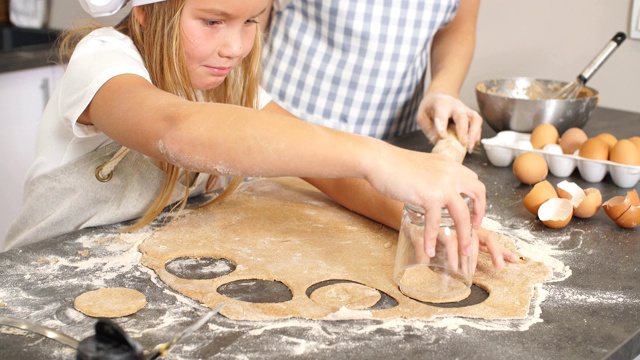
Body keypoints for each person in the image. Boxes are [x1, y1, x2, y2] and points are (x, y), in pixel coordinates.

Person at [4, 0, 516, 271]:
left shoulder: (230, 85)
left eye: (252, 21)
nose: (234, 46)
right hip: (40, 283)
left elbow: (325, 170)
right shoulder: (104, 61)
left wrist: (421, 223)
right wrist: (380, 157)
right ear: (145, 11)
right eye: (212, 20)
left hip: (131, 271)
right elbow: (178, 129)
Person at [260, 0, 482, 150]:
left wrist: (442, 90)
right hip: (286, 127)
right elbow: (248, 17)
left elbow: (457, 27)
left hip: (392, 141)